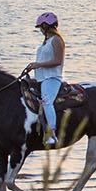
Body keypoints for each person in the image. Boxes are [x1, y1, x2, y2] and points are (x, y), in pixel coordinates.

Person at [21, 11, 65, 147]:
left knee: (47, 101)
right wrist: (34, 67)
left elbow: (58, 61)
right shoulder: (46, 41)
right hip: (40, 77)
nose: (40, 29)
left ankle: (52, 135)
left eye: (41, 27)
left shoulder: (57, 40)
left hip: (52, 78)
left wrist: (38, 65)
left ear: (46, 26)